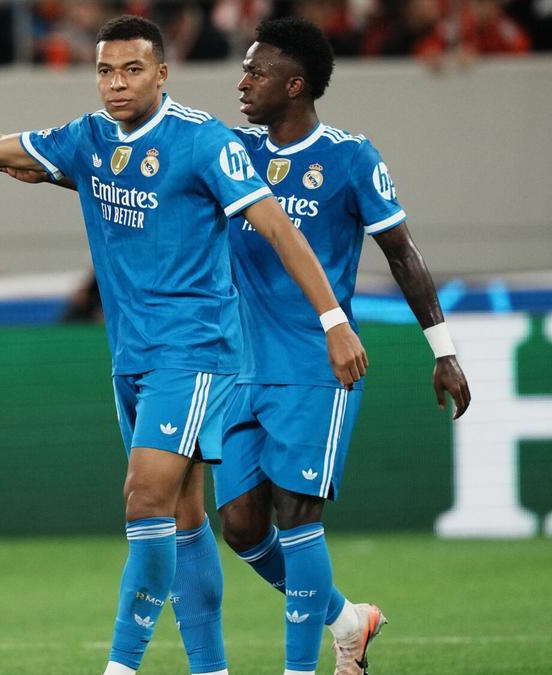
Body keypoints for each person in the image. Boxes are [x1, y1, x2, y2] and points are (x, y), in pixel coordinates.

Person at [0, 14, 366, 675]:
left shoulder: (203, 141)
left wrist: (333, 320)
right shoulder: (88, 141)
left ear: (162, 74)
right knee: (184, 521)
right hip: (132, 358)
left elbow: (278, 228)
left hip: (196, 351)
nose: (116, 83)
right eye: (105, 70)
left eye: (132, 70)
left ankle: (119, 667)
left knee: (144, 498)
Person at [220, 18, 469, 675]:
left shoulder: (351, 158)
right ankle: (348, 620)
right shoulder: (230, 152)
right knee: (241, 526)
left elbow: (401, 253)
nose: (242, 83)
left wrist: (443, 349)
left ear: (294, 85)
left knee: (297, 514)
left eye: (256, 72)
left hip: (317, 364)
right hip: (240, 367)